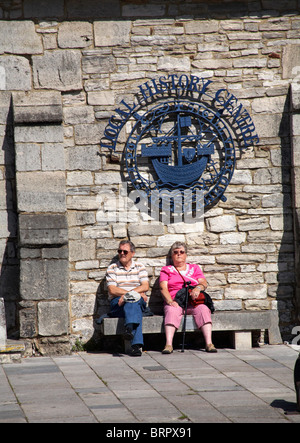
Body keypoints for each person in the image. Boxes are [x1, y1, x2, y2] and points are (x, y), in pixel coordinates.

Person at [159, 241, 217, 354]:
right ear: (172, 255)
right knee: (171, 310)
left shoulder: (194, 268)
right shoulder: (166, 270)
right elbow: (163, 288)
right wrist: (170, 301)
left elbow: (203, 283)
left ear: (186, 255)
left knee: (204, 309)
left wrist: (197, 289)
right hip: (175, 301)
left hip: (193, 301)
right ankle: (168, 344)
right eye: (175, 252)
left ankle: (209, 343)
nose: (179, 254)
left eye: (182, 252)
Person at [106, 240, 149, 356]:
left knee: (133, 303)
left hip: (134, 301)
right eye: (119, 251)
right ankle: (136, 345)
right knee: (133, 303)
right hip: (118, 303)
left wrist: (127, 296)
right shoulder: (112, 268)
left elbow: (145, 285)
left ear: (132, 253)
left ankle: (129, 329)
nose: (122, 253)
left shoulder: (139, 267)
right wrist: (131, 294)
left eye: (125, 251)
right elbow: (112, 290)